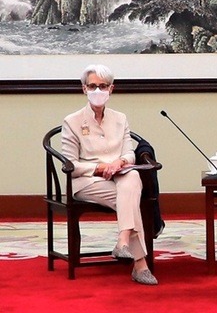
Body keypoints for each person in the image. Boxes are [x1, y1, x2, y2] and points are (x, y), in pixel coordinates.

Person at [61, 64, 158, 285]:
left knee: (132, 177)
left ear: (111, 89)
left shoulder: (120, 118)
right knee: (130, 199)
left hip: (119, 176)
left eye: (103, 86)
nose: (98, 90)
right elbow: (70, 165)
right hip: (86, 181)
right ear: (84, 89)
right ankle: (140, 265)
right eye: (92, 86)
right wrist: (99, 168)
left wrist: (120, 162)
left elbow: (129, 153)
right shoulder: (72, 121)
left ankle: (123, 242)